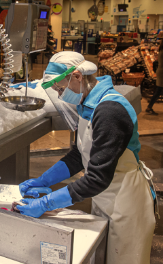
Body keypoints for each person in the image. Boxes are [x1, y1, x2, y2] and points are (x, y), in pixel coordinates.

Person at [18, 51, 156, 264]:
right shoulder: (88, 104)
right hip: (105, 197)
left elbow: (97, 178)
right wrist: (44, 180)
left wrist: (47, 203)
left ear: (77, 76)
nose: (61, 94)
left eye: (60, 88)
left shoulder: (110, 110)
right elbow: (79, 156)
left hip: (126, 203)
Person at [146, 40, 163, 115]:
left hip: (160, 72)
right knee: (158, 91)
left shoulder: (161, 50)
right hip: (162, 73)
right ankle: (149, 107)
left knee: (158, 91)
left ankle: (149, 107)